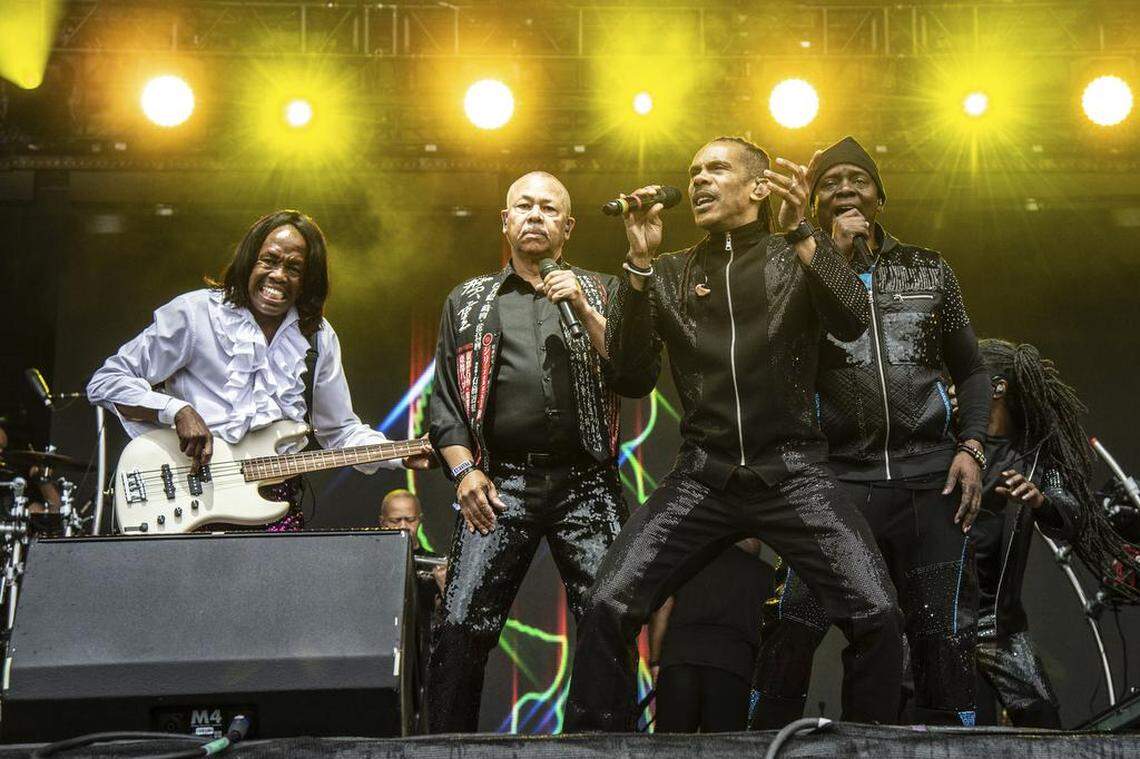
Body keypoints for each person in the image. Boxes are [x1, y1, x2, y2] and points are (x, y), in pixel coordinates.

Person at [564, 136, 905, 731]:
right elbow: (629, 375)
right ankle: (598, 746)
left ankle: (865, 747)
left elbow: (853, 320)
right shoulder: (670, 273)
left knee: (876, 613)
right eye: (692, 170)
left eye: (715, 169)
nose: (698, 180)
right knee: (606, 606)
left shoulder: (790, 253)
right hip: (703, 475)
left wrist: (804, 235)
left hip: (792, 471)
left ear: (757, 187)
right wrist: (639, 266)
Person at [750, 136, 989, 727]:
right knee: (793, 617)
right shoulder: (788, 271)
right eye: (829, 182)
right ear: (813, 202)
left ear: (880, 197)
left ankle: (938, 746)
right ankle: (760, 742)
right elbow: (774, 362)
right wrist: (824, 261)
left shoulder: (930, 269)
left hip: (928, 477)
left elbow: (972, 368)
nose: (845, 188)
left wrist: (973, 444)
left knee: (942, 631)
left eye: (857, 179)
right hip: (835, 480)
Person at [427, 171, 635, 733]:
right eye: (524, 206)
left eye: (549, 208)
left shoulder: (604, 290)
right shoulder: (469, 300)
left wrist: (588, 311)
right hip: (500, 482)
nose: (535, 215)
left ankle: (604, 748)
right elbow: (444, 401)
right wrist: (465, 470)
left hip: (585, 483)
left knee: (609, 619)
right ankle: (445, 749)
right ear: (506, 221)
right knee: (461, 621)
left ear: (568, 227)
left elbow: (632, 371)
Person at [87, 209, 431, 531]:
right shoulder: (195, 313)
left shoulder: (317, 337)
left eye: (294, 268)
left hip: (273, 507)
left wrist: (402, 453)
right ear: (249, 260)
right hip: (186, 499)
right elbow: (106, 381)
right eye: (269, 260)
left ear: (307, 279)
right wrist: (176, 410)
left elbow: (339, 431)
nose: (279, 275)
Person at [967, 339, 1092, 727]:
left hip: (997, 625)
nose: (955, 385)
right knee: (939, 726)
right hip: (937, 617)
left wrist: (1041, 501)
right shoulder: (951, 443)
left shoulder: (1036, 454)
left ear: (998, 387)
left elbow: (1071, 516)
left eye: (967, 376)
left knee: (1042, 719)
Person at [648, 539, 773, 733]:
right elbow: (771, 630)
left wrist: (655, 661)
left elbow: (664, 606)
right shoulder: (766, 574)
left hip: (680, 659)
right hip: (733, 666)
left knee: (670, 745)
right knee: (722, 747)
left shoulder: (687, 563)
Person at [379, 488, 445, 733]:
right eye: (396, 520)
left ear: (420, 519)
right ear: (382, 522)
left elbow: (450, 621)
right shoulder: (369, 562)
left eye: (411, 519)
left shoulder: (438, 564)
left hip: (423, 658)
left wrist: (448, 591)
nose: (405, 526)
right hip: (380, 656)